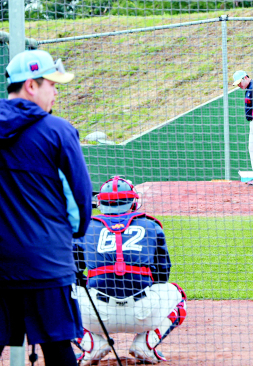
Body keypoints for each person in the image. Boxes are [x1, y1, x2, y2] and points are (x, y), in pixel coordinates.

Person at [0, 50, 93, 365]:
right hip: (46, 263)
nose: (55, 91)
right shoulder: (59, 131)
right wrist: (73, 234)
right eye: (51, 84)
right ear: (30, 85)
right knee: (57, 348)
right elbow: (80, 203)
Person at [73, 176, 187, 365]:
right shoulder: (151, 224)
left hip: (94, 314)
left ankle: (90, 343)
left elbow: (74, 271)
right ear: (133, 202)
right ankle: (147, 343)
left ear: (100, 202)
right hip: (143, 312)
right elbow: (162, 273)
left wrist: (94, 282)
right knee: (177, 294)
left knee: (54, 298)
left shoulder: (85, 226)